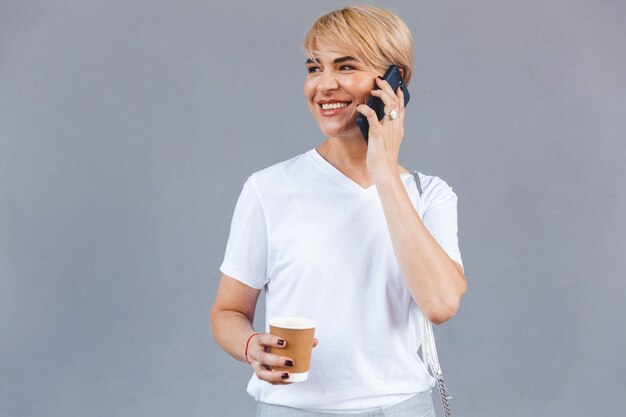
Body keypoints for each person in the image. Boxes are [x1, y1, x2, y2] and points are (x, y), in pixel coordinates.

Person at [211, 5, 467, 416]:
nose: (324, 85)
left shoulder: (430, 195)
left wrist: (384, 173)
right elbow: (228, 311)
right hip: (291, 410)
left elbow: (440, 305)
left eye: (345, 67)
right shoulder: (268, 189)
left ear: (395, 82)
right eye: (315, 68)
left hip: (400, 408)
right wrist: (249, 347)